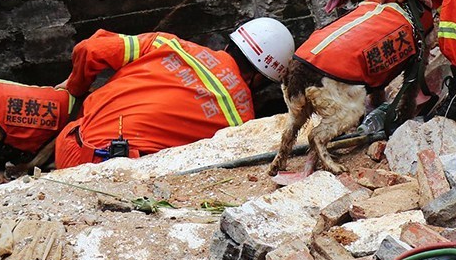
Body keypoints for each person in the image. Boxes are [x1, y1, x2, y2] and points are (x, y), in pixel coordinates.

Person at [54, 18, 295, 168]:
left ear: (229, 45)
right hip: (113, 171)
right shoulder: (240, 122)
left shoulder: (167, 43)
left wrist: (74, 88)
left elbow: (91, 48)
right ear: (257, 80)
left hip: (70, 142)